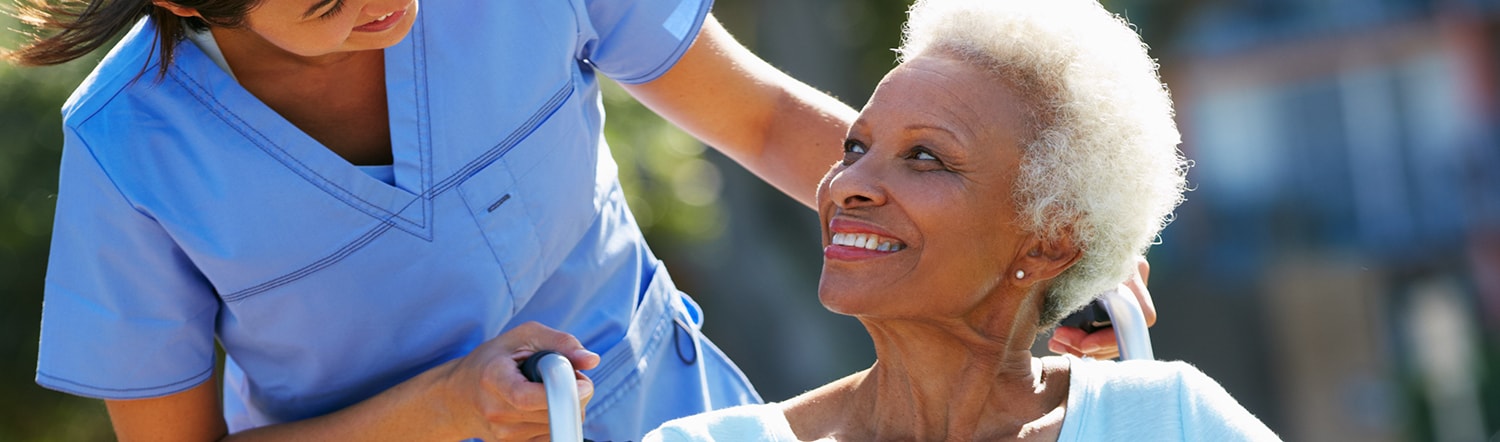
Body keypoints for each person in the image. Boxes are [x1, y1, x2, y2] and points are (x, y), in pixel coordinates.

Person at [7, 0, 1150, 440]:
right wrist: (442, 405)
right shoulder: (130, 149)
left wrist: (1019, 261)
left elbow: (760, 122)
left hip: (673, 415)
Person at [645, 0, 1281, 440]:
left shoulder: (1170, 420)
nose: (848, 187)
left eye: (925, 157)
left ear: (1052, 239)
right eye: (855, 147)